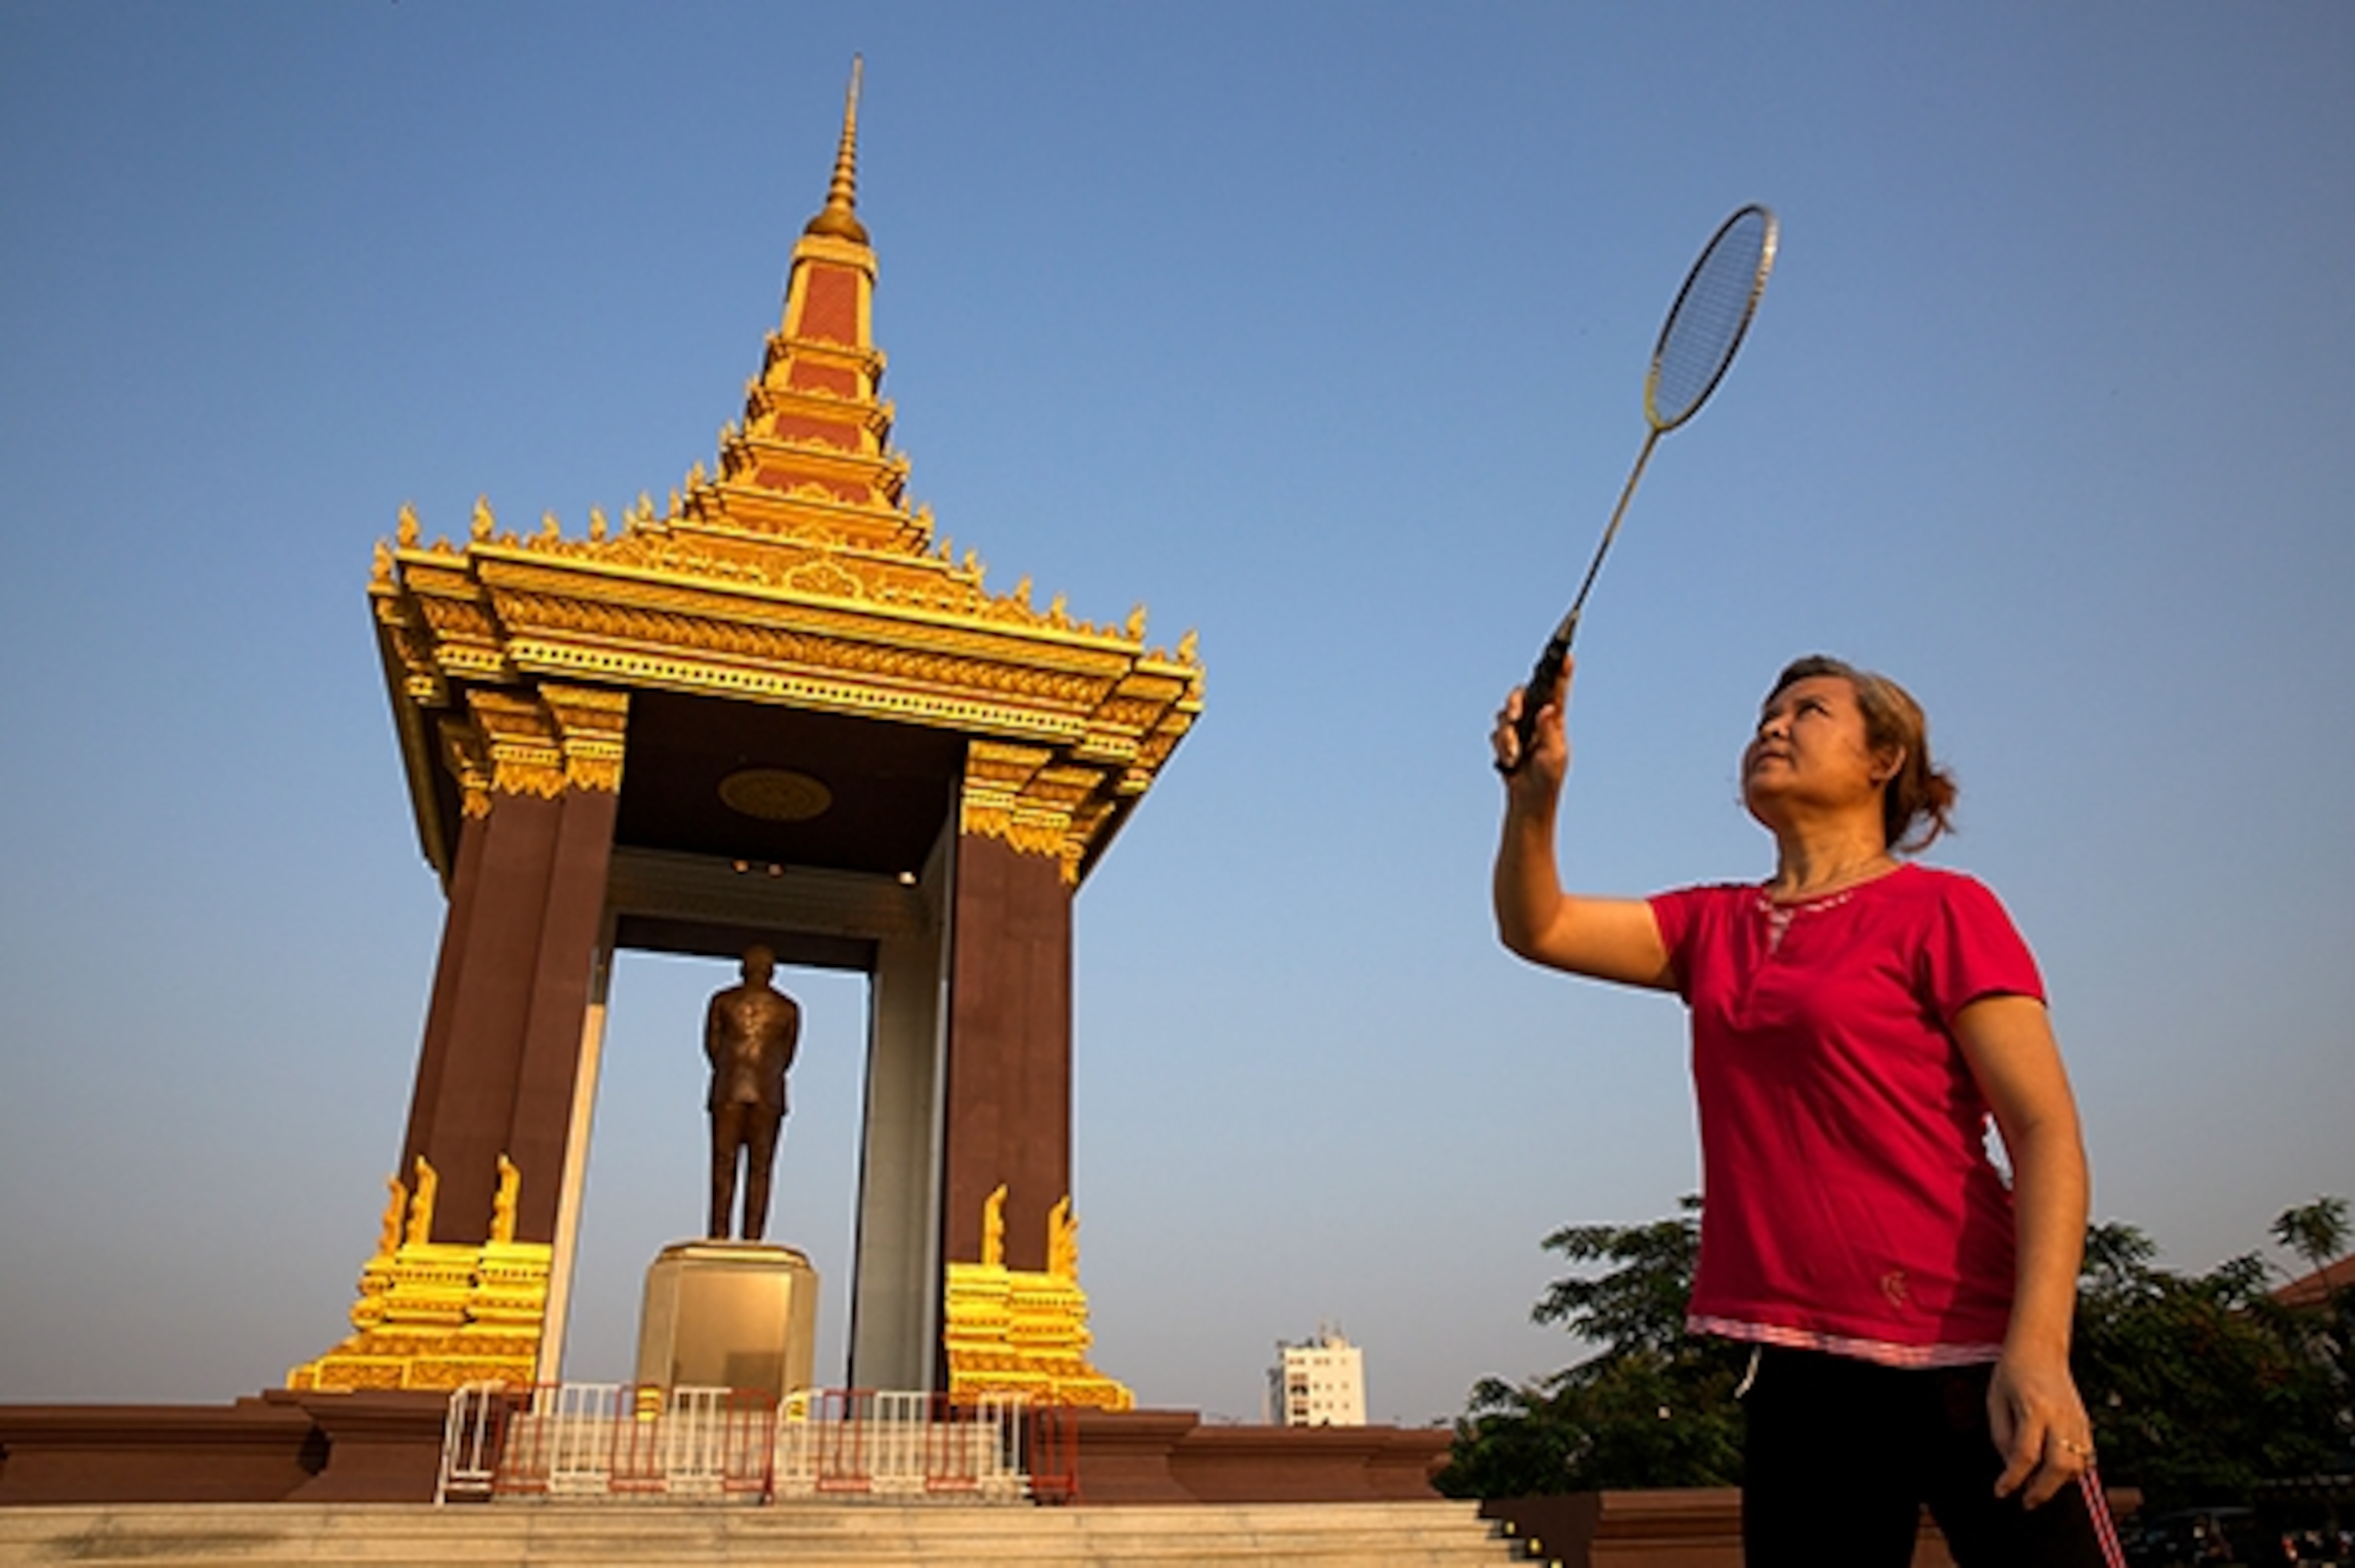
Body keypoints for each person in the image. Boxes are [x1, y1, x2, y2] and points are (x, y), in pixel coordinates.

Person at [1491, 654, 2123, 1568]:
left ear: (1884, 758)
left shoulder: (1944, 910)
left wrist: (2038, 1349)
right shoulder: (1713, 927)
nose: (1773, 727)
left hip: (1968, 1350)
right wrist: (1533, 796)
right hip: (1796, 1362)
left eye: (1808, 711)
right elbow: (1536, 925)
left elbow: (2044, 1131)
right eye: (1766, 714)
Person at [705, 944, 800, 1242]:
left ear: (743, 968)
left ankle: (720, 1234)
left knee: (723, 1163)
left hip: (729, 1088)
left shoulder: (722, 1001)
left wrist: (733, 1066)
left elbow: (712, 1046)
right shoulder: (788, 1008)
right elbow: (787, 1055)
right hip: (768, 1091)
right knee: (761, 1168)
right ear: (772, 971)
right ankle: (753, 1237)